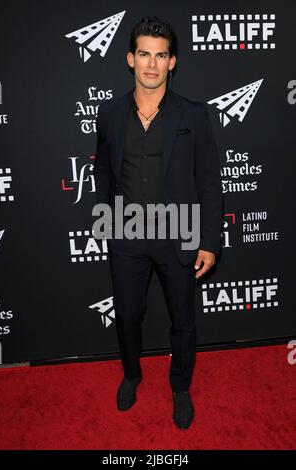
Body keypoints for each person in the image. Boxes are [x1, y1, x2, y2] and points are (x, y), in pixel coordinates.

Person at [94, 16, 223, 429]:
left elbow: (209, 182)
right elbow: (102, 173)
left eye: (161, 55)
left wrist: (209, 241)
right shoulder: (110, 113)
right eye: (144, 54)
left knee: (182, 319)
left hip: (180, 231)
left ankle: (180, 387)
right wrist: (107, 221)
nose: (152, 64)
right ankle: (132, 375)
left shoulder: (195, 115)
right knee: (128, 315)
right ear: (131, 58)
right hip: (128, 233)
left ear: (173, 62)